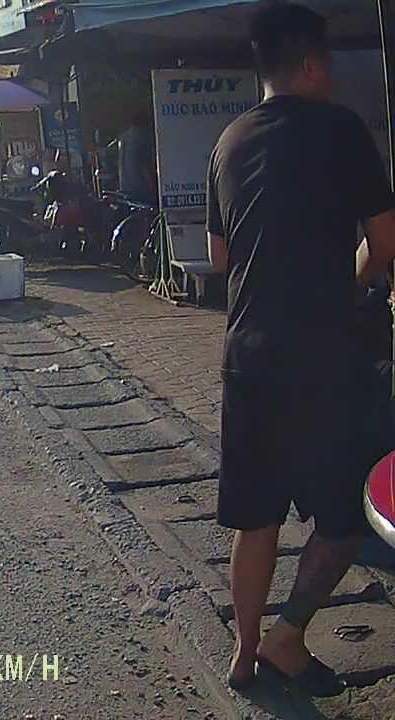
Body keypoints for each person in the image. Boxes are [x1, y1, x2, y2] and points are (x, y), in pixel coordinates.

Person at [205, 3, 395, 696]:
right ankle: (287, 639)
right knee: (345, 520)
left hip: (248, 355)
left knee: (256, 519)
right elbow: (385, 242)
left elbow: (220, 258)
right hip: (323, 361)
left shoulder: (228, 142)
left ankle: (243, 652)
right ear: (311, 63)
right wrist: (348, 282)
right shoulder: (341, 129)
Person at [116, 110, 157, 204]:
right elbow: (146, 163)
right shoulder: (144, 135)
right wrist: (152, 184)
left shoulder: (124, 137)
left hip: (125, 186)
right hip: (141, 187)